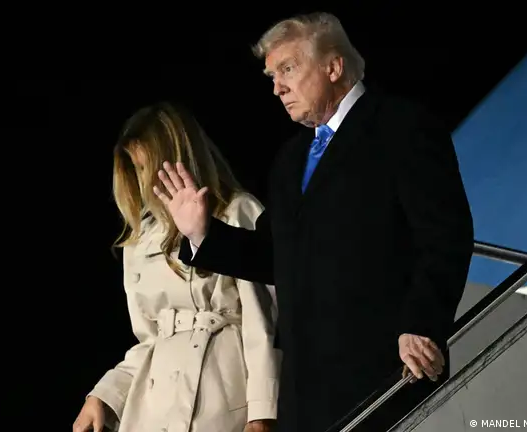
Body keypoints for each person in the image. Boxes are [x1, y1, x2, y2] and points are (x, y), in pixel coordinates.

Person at [152, 12, 474, 432]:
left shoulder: (401, 126)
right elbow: (277, 256)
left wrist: (422, 325)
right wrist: (203, 233)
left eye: (287, 69)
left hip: (386, 372)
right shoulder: (290, 160)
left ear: (333, 67)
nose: (277, 88)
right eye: (272, 77)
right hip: (305, 391)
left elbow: (445, 236)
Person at [73, 102, 281, 432]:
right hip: (153, 411)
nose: (142, 181)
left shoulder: (236, 212)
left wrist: (262, 413)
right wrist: (104, 395)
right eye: (136, 169)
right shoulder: (140, 240)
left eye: (148, 168)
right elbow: (149, 340)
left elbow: (263, 322)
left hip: (221, 402)